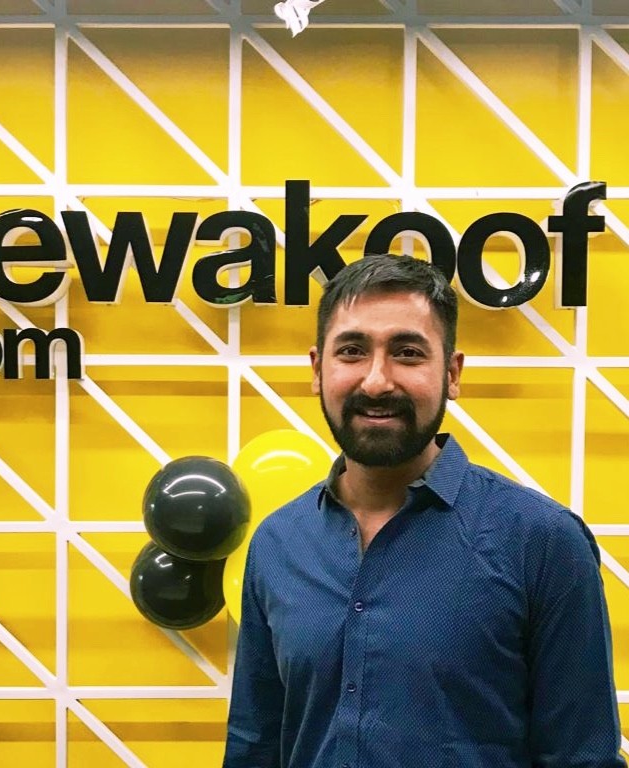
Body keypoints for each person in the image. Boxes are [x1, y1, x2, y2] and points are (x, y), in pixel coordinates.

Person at [223, 253, 626, 768]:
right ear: (317, 371)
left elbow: (581, 758)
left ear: (452, 374)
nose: (376, 381)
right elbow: (255, 748)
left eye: (408, 353)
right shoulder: (277, 543)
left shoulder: (543, 544)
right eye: (351, 351)